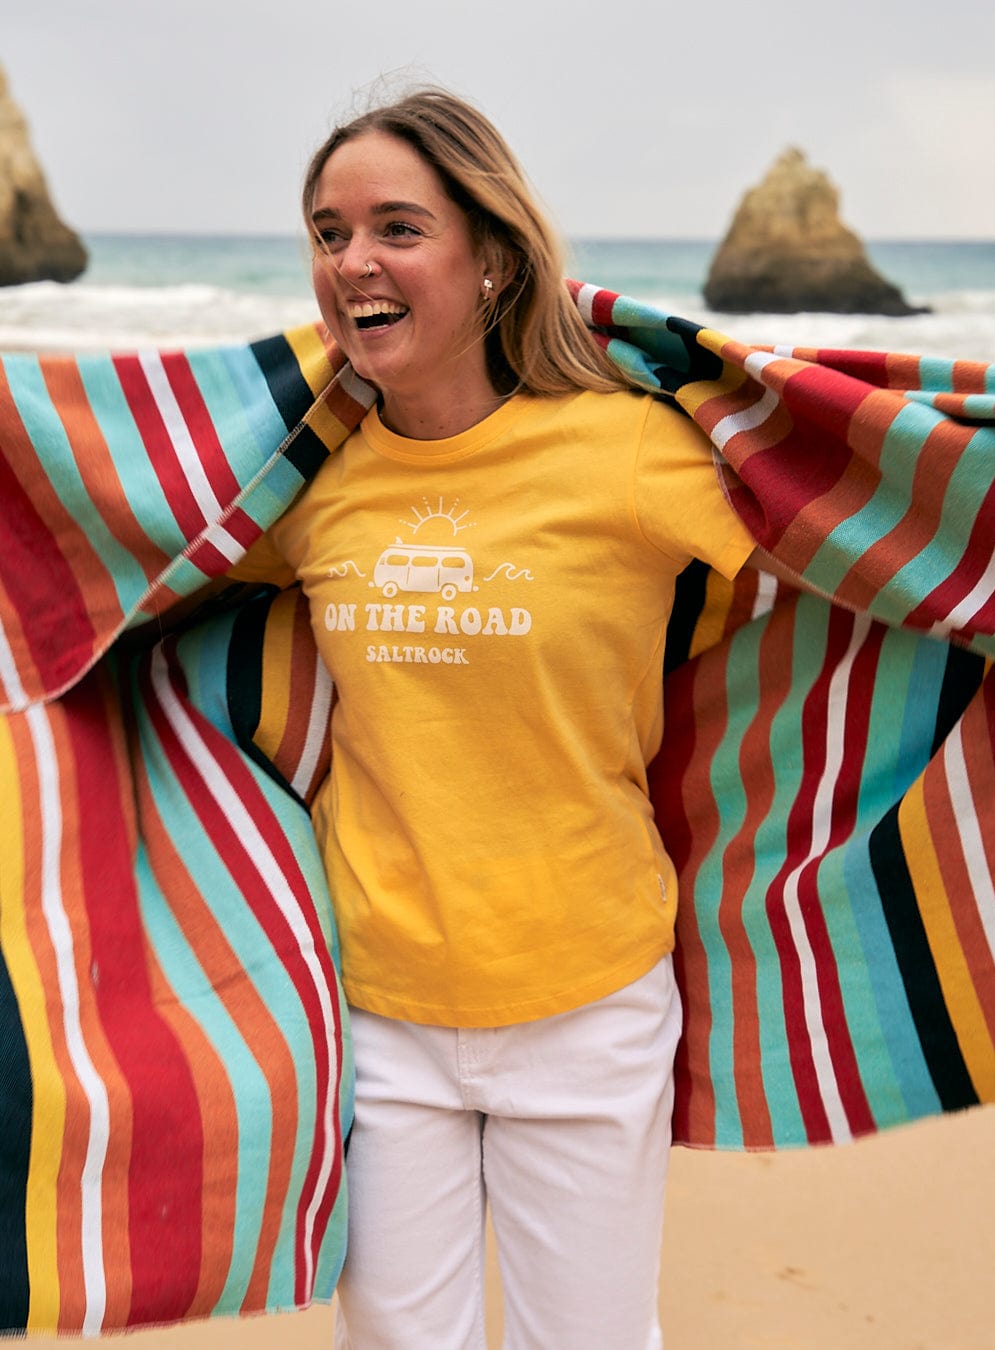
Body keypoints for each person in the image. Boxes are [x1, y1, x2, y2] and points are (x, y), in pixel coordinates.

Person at [228, 85, 769, 1348]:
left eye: (398, 228)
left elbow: (848, 541)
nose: (351, 260)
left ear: (493, 261)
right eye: (326, 230)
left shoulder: (631, 454)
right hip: (377, 1006)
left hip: (586, 995)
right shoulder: (306, 482)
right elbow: (120, 555)